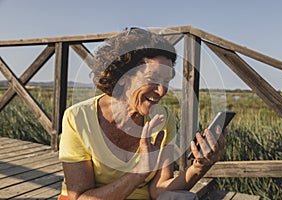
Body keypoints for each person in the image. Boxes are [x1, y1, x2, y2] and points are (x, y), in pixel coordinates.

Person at [58, 28, 226, 200]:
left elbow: (160, 191)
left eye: (166, 81)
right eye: (152, 78)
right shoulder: (78, 117)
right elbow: (78, 198)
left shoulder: (164, 119)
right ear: (122, 76)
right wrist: (140, 171)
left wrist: (198, 167)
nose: (162, 91)